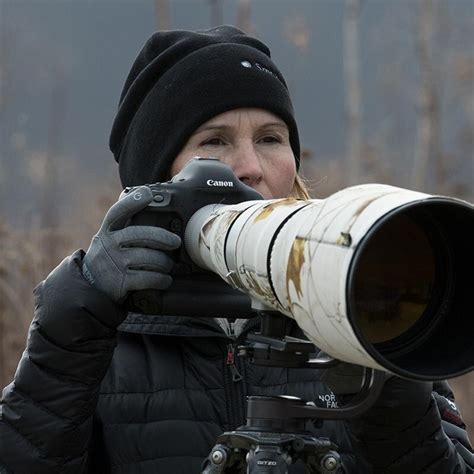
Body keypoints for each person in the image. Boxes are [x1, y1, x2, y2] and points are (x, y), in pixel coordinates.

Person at [0, 26, 472, 474]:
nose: (249, 167)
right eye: (214, 142)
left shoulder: (352, 290)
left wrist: (379, 357)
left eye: (270, 139)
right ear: (153, 180)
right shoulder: (97, 332)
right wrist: (77, 316)